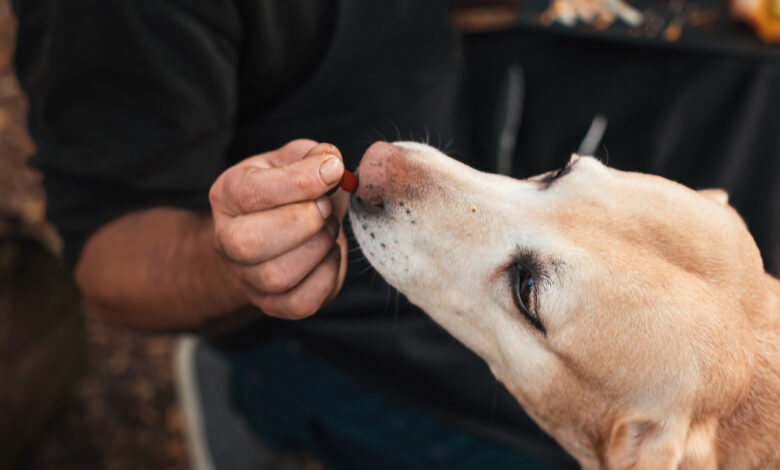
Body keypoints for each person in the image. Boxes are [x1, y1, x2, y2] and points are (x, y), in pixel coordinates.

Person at [13, 0, 778, 469]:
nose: (392, 165)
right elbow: (106, 250)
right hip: (344, 318)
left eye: (565, 177)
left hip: (525, 96)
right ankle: (266, 395)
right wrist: (237, 269)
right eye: (528, 287)